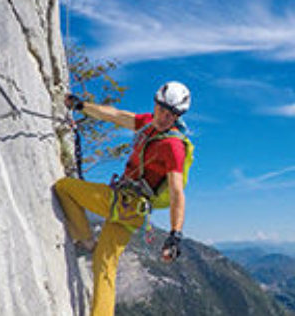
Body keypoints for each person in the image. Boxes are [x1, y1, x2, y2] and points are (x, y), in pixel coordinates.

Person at [54, 81, 194, 316]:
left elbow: (177, 191)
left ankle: (85, 240)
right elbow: (117, 115)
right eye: (161, 110)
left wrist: (175, 234)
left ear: (178, 116)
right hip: (133, 212)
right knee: (105, 265)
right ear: (155, 105)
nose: (163, 117)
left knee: (64, 187)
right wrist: (82, 106)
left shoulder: (173, 146)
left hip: (121, 202)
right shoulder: (148, 124)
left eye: (171, 114)